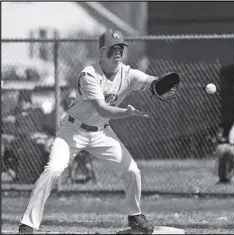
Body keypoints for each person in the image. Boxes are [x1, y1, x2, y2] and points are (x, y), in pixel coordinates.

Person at [19, 29, 162, 234]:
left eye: (121, 47)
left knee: (131, 170)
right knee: (54, 170)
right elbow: (103, 109)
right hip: (73, 131)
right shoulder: (89, 74)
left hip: (101, 133)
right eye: (113, 48)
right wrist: (127, 113)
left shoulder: (127, 74)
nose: (118, 52)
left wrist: (159, 82)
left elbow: (150, 80)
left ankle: (135, 215)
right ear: (103, 50)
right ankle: (28, 223)